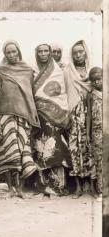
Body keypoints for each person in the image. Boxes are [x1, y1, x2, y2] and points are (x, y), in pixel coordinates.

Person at [0, 40, 40, 199]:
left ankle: (20, 189)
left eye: (14, 51)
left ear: (19, 52)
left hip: (23, 116)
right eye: (8, 52)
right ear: (5, 54)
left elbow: (31, 94)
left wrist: (32, 114)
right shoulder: (0, 70)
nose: (12, 55)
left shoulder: (27, 70)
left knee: (23, 151)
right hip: (5, 116)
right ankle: (10, 189)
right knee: (8, 151)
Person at [32, 43, 71, 196]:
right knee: (40, 149)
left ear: (49, 53)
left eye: (46, 51)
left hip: (55, 117)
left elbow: (60, 93)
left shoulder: (58, 71)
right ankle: (42, 185)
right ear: (36, 53)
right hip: (38, 116)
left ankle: (58, 185)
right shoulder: (32, 71)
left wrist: (59, 113)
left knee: (56, 149)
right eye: (40, 51)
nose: (43, 54)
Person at [64, 40, 96, 198]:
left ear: (85, 53)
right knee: (74, 150)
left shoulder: (93, 71)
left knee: (90, 149)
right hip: (74, 115)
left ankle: (91, 186)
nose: (78, 55)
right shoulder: (67, 72)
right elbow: (62, 94)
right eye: (75, 53)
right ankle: (77, 187)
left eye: (81, 52)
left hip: (91, 114)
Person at [87, 67, 103, 197]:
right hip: (97, 132)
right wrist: (87, 133)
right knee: (99, 160)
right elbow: (89, 116)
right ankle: (101, 189)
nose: (97, 82)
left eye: (99, 79)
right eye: (94, 80)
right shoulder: (91, 95)